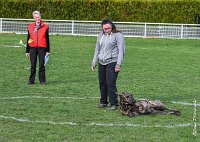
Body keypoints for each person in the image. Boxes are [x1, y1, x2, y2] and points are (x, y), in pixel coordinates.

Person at [91, 18, 125, 111]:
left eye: (108, 28)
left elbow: (121, 50)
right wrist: (94, 62)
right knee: (102, 83)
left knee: (111, 83)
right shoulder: (100, 36)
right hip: (102, 61)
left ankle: (114, 104)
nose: (107, 30)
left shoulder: (118, 35)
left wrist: (118, 64)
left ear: (112, 26)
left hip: (112, 62)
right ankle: (103, 102)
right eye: (105, 28)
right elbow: (97, 50)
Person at [26, 11, 50, 85]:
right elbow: (28, 39)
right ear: (34, 18)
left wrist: (48, 50)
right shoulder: (30, 27)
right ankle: (31, 80)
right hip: (32, 49)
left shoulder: (45, 27)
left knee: (42, 65)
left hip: (42, 48)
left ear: (40, 17)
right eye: (36, 17)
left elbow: (47, 39)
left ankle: (42, 81)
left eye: (38, 17)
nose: (37, 18)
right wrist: (27, 51)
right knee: (33, 65)